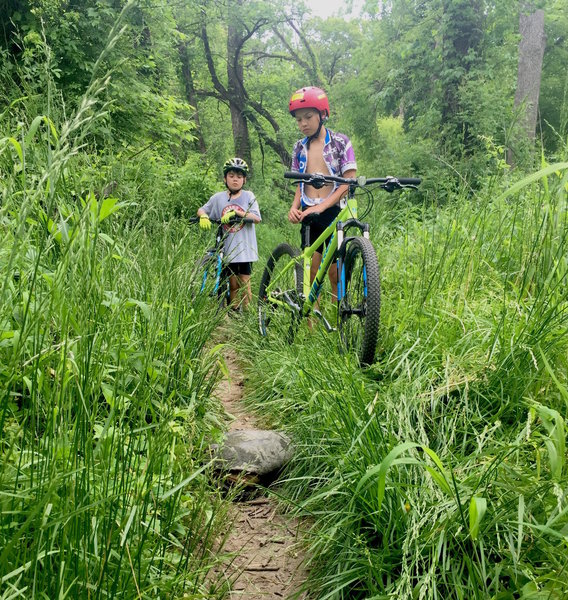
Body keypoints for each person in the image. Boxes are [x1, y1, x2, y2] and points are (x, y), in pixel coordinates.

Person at [287, 86, 357, 309]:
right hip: (309, 213)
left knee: (336, 273)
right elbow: (300, 183)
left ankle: (339, 324)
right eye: (299, 120)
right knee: (311, 272)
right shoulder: (299, 148)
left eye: (308, 117)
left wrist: (324, 206)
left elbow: (349, 181)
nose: (303, 123)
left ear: (322, 114)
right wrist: (294, 207)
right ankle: (312, 327)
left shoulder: (339, 142)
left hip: (334, 213)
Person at [197, 157, 261, 309]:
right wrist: (203, 216)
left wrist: (237, 213)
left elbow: (256, 218)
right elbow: (202, 209)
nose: (235, 180)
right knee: (232, 283)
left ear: (244, 180)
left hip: (244, 248)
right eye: (231, 176)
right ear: (225, 178)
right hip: (227, 248)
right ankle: (234, 311)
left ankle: (247, 315)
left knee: (244, 282)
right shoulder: (218, 198)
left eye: (239, 177)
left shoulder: (248, 196)